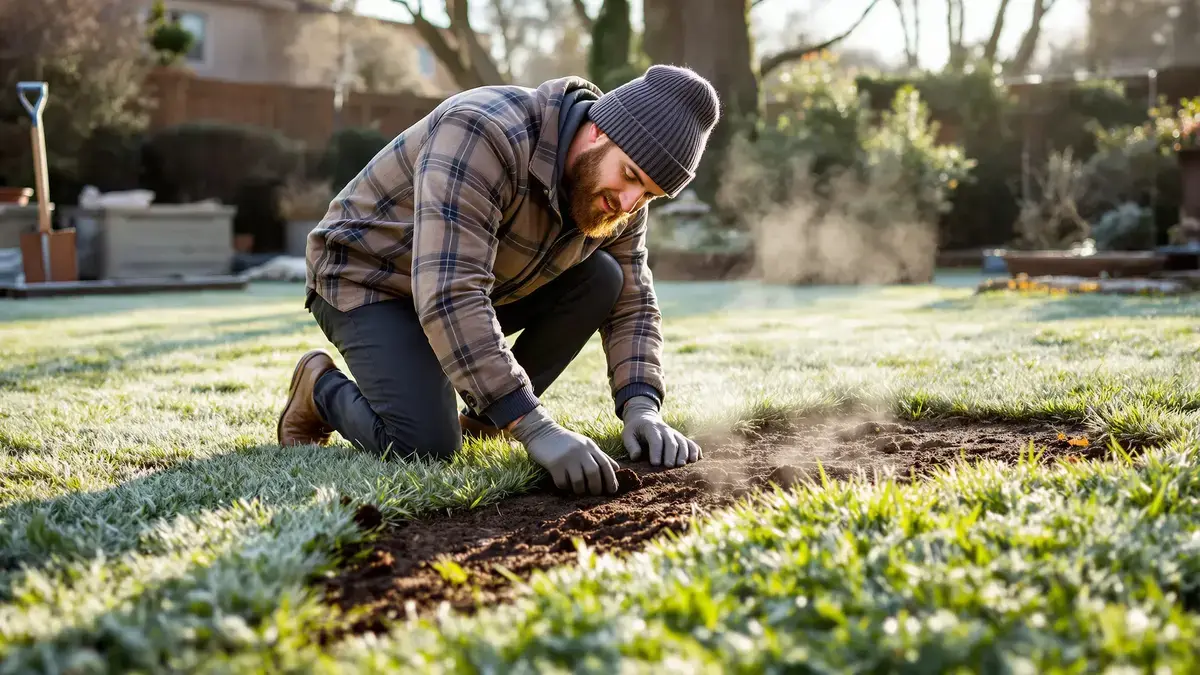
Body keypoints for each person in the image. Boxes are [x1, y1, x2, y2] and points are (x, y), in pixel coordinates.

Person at [276, 64, 720, 497]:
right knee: (426, 446)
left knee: (606, 277)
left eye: (647, 195)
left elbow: (633, 298)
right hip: (368, 278)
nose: (628, 202)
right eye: (630, 177)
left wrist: (642, 405)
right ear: (600, 128)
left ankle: (484, 420)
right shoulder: (482, 132)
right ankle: (319, 389)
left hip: (475, 284)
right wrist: (533, 425)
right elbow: (451, 291)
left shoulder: (621, 196)